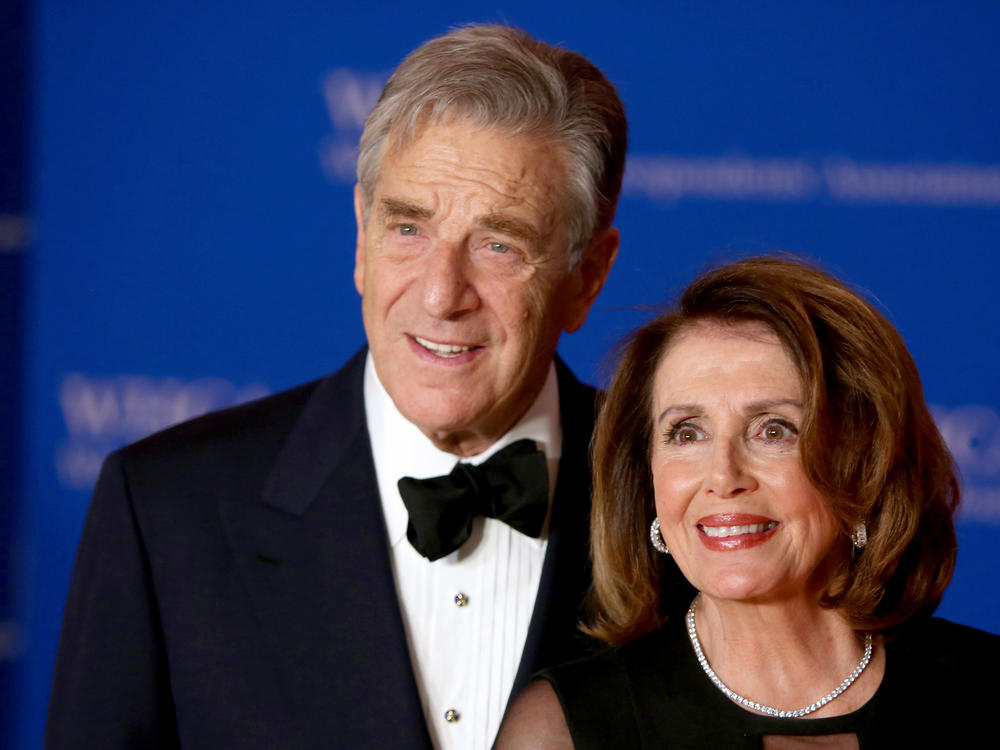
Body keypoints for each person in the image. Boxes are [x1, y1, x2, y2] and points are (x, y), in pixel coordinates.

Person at [45, 24, 661, 750]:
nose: (441, 294)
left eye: (500, 244)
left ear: (587, 276)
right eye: (409, 228)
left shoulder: (679, 503)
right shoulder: (166, 511)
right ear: (362, 236)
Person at [496, 256, 1000, 749]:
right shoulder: (564, 727)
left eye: (773, 430)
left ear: (863, 461)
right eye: (686, 433)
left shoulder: (983, 692)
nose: (723, 476)